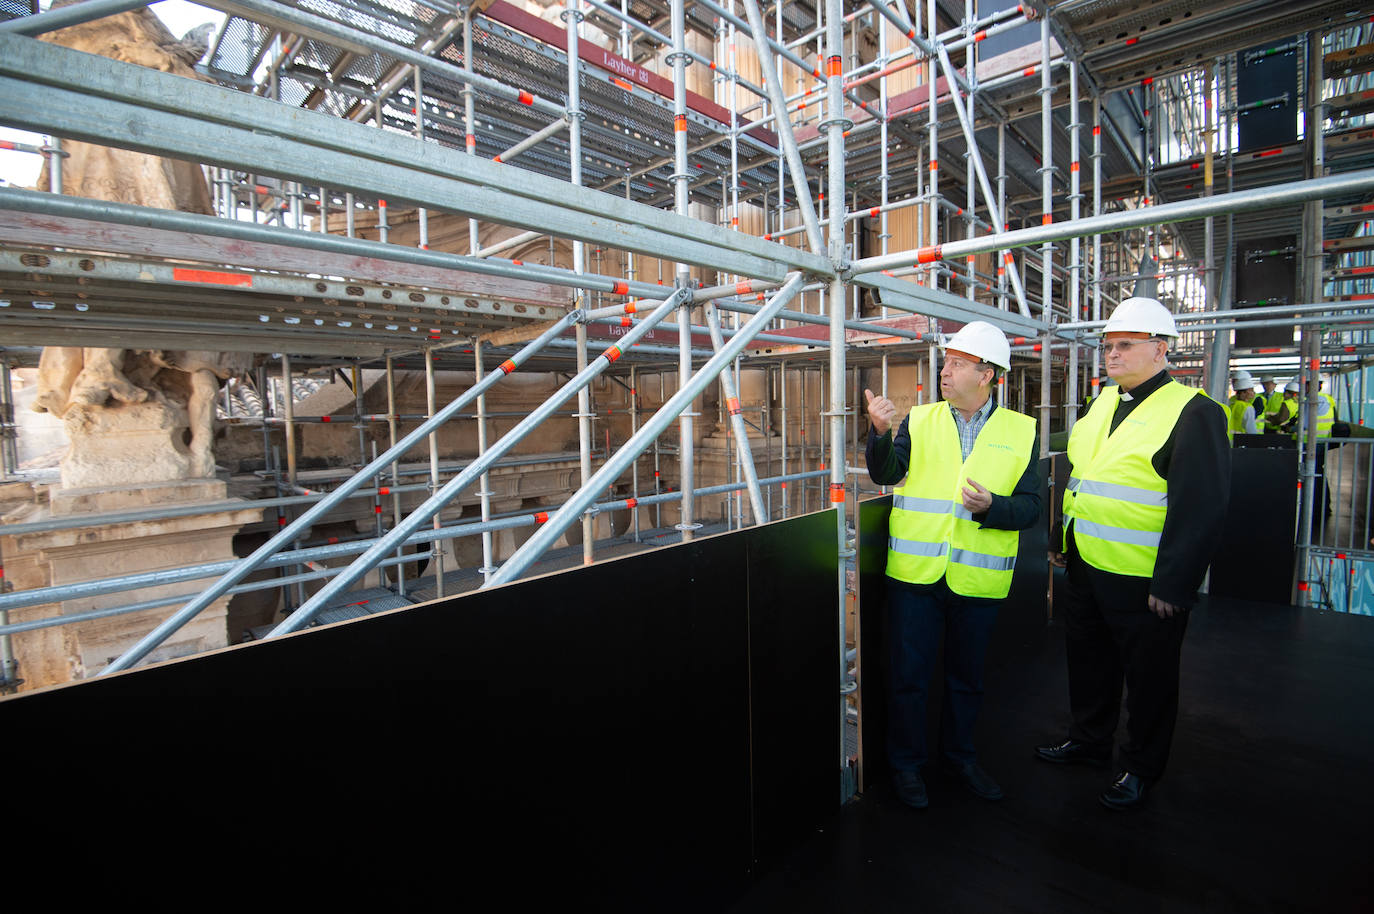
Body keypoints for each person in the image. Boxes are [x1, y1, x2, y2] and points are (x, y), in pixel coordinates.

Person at [1037, 297, 1230, 810]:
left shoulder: (1195, 412)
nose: (1112, 355)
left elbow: (1202, 508)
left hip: (1144, 581)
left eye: (1125, 345)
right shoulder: (1106, 401)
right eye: (1108, 346)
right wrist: (1063, 540)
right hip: (1087, 565)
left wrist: (1175, 584)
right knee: (1089, 662)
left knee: (1150, 680)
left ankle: (1142, 767)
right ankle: (1088, 740)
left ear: (1160, 349)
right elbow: (1084, 477)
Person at [864, 320, 1041, 809]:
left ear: (987, 375)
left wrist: (993, 508)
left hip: (977, 579)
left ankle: (959, 759)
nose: (946, 372)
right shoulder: (919, 420)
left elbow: (1032, 507)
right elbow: (887, 472)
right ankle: (906, 766)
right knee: (909, 678)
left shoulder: (1021, 431)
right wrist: (880, 432)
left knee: (966, 680)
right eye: (946, 363)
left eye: (958, 364)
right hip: (915, 578)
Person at [1227, 370, 1260, 441]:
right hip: (1240, 441)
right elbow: (1251, 429)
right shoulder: (1247, 408)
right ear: (1243, 393)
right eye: (1251, 390)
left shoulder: (1231, 404)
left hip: (1227, 439)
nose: (1253, 393)